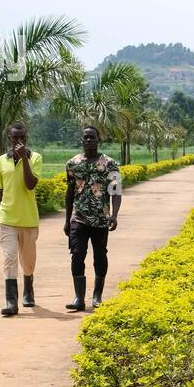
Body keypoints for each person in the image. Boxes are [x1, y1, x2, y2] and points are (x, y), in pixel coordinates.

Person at [63, 126, 122, 312]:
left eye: (92, 137)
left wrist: (114, 215)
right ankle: (79, 298)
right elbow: (70, 192)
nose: (89, 140)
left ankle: (97, 295)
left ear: (99, 140)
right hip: (78, 219)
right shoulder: (73, 164)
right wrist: (67, 219)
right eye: (86, 137)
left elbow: (116, 192)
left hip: (100, 219)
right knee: (77, 254)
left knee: (100, 255)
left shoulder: (109, 164)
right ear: (81, 140)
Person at [0, 122, 43, 317]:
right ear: (9, 139)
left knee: (28, 261)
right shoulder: (0, 161)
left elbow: (30, 184)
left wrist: (24, 160)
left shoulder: (35, 158)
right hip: (7, 218)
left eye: (23, 138)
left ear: (26, 139)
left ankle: (28, 287)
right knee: (9, 258)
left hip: (28, 219)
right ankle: (11, 302)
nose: (19, 141)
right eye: (15, 138)